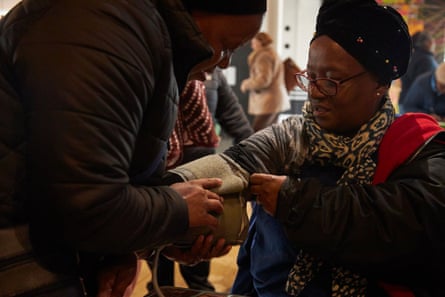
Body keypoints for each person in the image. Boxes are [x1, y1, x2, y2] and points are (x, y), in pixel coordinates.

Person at [165, 0, 445, 296]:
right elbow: (232, 165)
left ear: (380, 83)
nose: (314, 92)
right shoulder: (291, 138)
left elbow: (406, 230)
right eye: (309, 76)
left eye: (331, 81)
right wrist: (166, 216)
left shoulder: (418, 146)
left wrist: (293, 201)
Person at [0, 0, 266, 296]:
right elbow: (86, 204)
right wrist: (176, 210)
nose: (226, 63)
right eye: (227, 46)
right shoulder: (105, 26)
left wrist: (133, 247)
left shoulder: (136, 29)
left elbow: (89, 177)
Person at [150, 69, 254, 292]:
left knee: (200, 251)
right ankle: (161, 289)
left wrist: (255, 162)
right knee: (158, 259)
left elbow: (235, 119)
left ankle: (199, 288)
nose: (225, 58)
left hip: (203, 178)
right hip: (159, 180)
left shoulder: (214, 74)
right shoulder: (155, 68)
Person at [240, 32, 290, 132]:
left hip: (268, 101)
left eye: (254, 41)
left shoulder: (263, 56)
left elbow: (263, 80)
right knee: (270, 133)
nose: (251, 44)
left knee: (256, 133)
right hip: (274, 100)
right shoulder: (271, 53)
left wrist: (246, 84)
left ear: (260, 42)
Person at [398, 30, 438, 113]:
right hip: (417, 107)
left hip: (404, 101)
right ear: (428, 43)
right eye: (433, 41)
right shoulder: (426, 60)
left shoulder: (410, 56)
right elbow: (426, 88)